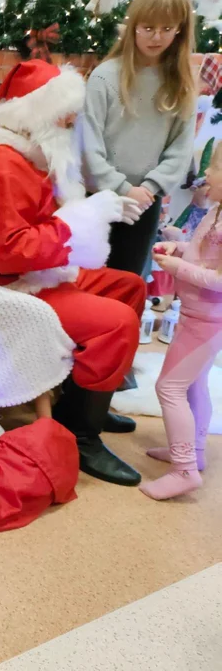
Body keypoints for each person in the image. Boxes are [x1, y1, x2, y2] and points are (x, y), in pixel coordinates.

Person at [0, 59, 147, 487]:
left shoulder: (29, 156)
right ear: (35, 116)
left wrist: (98, 211)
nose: (73, 123)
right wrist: (78, 220)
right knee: (119, 323)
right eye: (64, 115)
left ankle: (85, 400)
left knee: (129, 287)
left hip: (42, 269)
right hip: (6, 285)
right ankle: (82, 433)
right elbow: (11, 253)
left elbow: (42, 224)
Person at [82, 0, 197, 280]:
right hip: (96, 198)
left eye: (166, 29)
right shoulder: (105, 77)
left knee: (125, 286)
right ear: (133, 26)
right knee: (82, 282)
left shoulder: (182, 85)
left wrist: (147, 190)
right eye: (148, 28)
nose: (156, 36)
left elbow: (180, 150)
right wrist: (121, 188)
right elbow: (88, 144)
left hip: (143, 204)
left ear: (180, 30)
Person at [141, 143, 222, 500]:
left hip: (206, 321)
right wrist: (180, 245)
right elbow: (205, 250)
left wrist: (179, 268)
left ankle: (185, 468)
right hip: (195, 315)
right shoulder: (216, 211)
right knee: (193, 384)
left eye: (215, 167)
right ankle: (194, 452)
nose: (206, 174)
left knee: (169, 387)